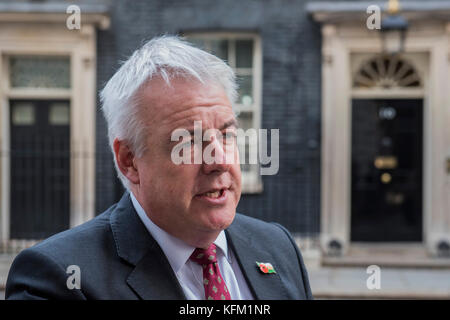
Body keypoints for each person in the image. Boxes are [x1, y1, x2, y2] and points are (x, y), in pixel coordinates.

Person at [5, 36, 312, 300]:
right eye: (189, 141)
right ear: (129, 160)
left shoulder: (278, 247)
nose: (219, 160)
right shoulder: (57, 280)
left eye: (227, 134)